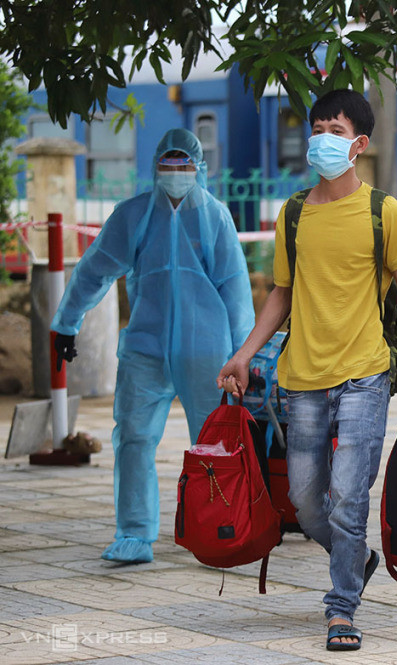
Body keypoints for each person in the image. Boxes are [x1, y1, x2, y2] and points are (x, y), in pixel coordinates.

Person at [217, 90, 397, 652]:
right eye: (317, 128)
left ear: (359, 144)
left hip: (365, 372)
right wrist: (244, 353)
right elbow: (282, 295)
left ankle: (341, 607)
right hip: (302, 376)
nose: (322, 138)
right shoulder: (293, 213)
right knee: (305, 499)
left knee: (348, 494)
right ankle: (359, 558)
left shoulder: (381, 211)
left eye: (334, 130)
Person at [51, 129, 255, 564]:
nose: (177, 172)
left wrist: (243, 355)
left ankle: (218, 526)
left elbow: (237, 293)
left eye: (185, 165)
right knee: (133, 437)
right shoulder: (135, 215)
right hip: (145, 348)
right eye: (169, 164)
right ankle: (134, 533)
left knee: (215, 442)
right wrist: (67, 323)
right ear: (156, 166)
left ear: (198, 167)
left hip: (208, 353)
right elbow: (95, 270)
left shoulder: (216, 218)